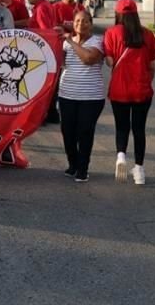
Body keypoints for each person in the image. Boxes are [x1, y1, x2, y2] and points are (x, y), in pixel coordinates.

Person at [103, 0, 155, 185]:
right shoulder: (147, 35)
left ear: (118, 14)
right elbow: (152, 66)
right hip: (142, 89)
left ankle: (121, 156)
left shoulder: (112, 33)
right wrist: (146, 81)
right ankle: (140, 170)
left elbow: (110, 61)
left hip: (120, 89)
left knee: (122, 126)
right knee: (139, 129)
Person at [58, 10, 106, 182]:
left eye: (85, 21)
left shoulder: (98, 41)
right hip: (67, 95)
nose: (81, 24)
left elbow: (88, 58)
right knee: (67, 132)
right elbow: (60, 61)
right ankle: (73, 164)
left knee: (84, 132)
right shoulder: (66, 43)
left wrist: (70, 41)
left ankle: (83, 168)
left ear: (91, 24)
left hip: (91, 98)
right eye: (77, 21)